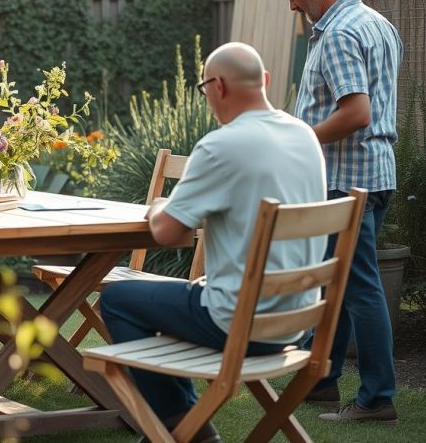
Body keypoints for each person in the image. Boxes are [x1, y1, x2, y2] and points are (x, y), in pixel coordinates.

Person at [99, 43, 327, 443]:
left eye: (204, 91)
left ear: (216, 86)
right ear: (266, 82)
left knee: (117, 300)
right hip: (300, 323)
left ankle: (183, 425)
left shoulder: (221, 146)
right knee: (175, 299)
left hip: (239, 326)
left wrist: (160, 206)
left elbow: (168, 233)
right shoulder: (304, 135)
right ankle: (184, 424)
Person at [274, 0, 402, 424]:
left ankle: (377, 397)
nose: (291, 6)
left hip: (346, 180)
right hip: (376, 173)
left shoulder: (340, 33)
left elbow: (357, 113)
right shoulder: (378, 24)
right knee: (339, 285)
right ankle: (322, 380)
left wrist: (296, 138)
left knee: (359, 286)